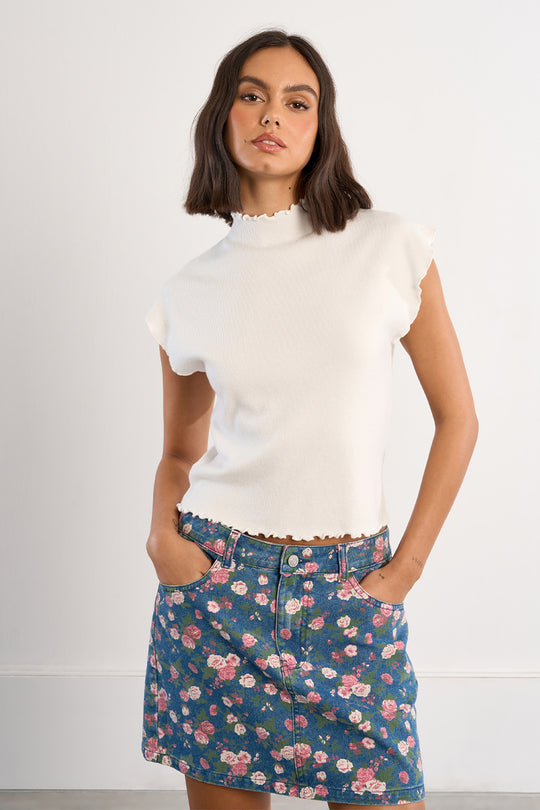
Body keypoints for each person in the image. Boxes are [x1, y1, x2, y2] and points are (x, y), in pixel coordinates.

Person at [140, 28, 478, 810]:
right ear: (222, 115)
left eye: (299, 102)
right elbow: (179, 454)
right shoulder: (189, 290)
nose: (273, 115)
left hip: (350, 592)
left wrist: (404, 571)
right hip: (217, 588)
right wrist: (162, 538)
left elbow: (458, 418)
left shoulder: (389, 247)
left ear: (322, 127)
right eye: (252, 95)